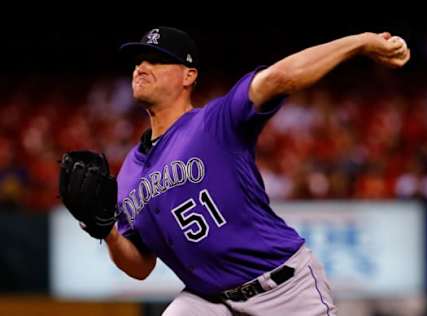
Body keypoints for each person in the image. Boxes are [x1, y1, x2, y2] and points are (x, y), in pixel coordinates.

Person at [97, 27, 410, 315]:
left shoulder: (214, 123)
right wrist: (108, 234)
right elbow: (141, 266)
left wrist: (360, 42)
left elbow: (277, 78)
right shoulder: (127, 174)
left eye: (156, 60)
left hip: (283, 289)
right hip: (209, 300)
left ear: (188, 75)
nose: (141, 67)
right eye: (139, 60)